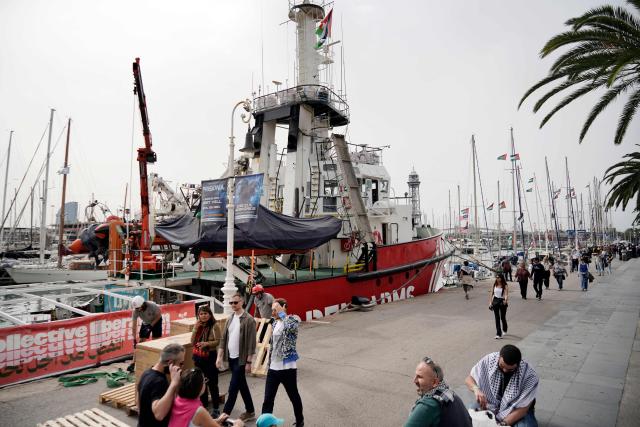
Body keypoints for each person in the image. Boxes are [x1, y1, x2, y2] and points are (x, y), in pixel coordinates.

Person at [465, 345, 538, 427]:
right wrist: (476, 389)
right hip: (489, 403)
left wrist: (502, 424)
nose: (505, 371)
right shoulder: (490, 359)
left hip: (516, 410)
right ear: (499, 357)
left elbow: (523, 409)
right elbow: (468, 379)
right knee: (468, 419)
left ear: (518, 364)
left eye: (510, 370)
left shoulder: (529, 376)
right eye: (501, 366)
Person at [261, 298, 304, 427]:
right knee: (268, 399)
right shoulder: (274, 323)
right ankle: (266, 424)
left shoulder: (293, 320)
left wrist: (282, 313)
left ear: (284, 307)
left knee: (293, 396)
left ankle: (300, 421)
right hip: (273, 368)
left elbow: (291, 327)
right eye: (272, 310)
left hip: (288, 368)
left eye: (276, 309)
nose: (273, 312)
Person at [216, 293, 257, 422]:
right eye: (231, 303)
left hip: (241, 359)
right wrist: (219, 356)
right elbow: (223, 338)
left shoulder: (249, 319)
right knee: (242, 385)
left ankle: (224, 415)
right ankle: (250, 411)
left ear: (242, 302)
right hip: (231, 358)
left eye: (235, 302)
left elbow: (251, 343)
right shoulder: (230, 318)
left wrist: (249, 361)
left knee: (233, 387)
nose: (233, 305)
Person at [404, 356, 472, 427]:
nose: (414, 381)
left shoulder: (428, 405)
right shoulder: (450, 394)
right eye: (415, 376)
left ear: (434, 382)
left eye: (420, 377)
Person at [168, 367, 243, 427]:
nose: (205, 383)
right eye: (204, 380)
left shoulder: (177, 400)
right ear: (199, 387)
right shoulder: (199, 411)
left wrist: (218, 420)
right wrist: (238, 425)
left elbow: (200, 422)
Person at [137, 343, 185, 427]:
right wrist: (174, 384)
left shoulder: (146, 373)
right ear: (170, 363)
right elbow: (159, 415)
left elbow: (139, 403)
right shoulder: (159, 382)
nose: (182, 368)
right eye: (181, 363)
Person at [191, 305, 222, 417]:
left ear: (210, 314)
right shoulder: (198, 325)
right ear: (198, 315)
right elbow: (192, 342)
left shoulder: (215, 325)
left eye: (205, 313)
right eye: (201, 314)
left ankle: (216, 408)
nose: (203, 316)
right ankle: (203, 406)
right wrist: (195, 328)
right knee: (201, 382)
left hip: (210, 356)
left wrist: (207, 344)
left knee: (213, 383)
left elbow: (218, 341)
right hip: (198, 358)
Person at [130, 295, 163, 372]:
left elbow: (159, 315)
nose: (138, 310)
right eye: (136, 308)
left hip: (156, 321)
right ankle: (133, 363)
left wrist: (151, 326)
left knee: (156, 341)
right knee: (140, 342)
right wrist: (134, 340)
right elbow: (133, 326)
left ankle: (156, 362)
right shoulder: (135, 311)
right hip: (146, 322)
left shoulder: (152, 306)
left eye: (138, 308)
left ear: (143, 304)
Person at [489, 274, 509, 339]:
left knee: (502, 317)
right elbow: (492, 294)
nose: (497, 279)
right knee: (497, 318)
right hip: (495, 301)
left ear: (501, 278)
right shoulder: (494, 285)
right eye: (496, 277)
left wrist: (505, 300)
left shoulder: (505, 285)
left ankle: (505, 329)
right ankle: (498, 334)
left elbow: (506, 294)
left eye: (499, 277)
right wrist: (490, 303)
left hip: (502, 301)